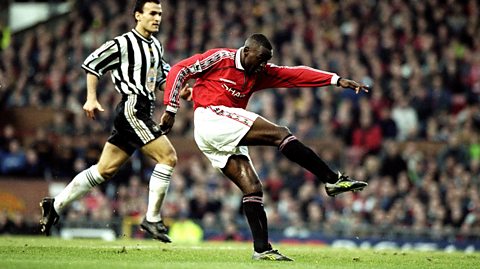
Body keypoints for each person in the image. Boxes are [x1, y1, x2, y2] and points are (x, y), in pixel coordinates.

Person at [160, 33, 369, 261]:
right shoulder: (221, 58)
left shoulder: (260, 72)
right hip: (211, 118)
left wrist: (336, 80)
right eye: (260, 59)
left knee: (253, 189)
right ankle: (331, 179)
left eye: (266, 60)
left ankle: (262, 249)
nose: (263, 65)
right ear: (246, 51)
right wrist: (171, 109)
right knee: (281, 134)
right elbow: (179, 70)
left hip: (219, 133)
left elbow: (295, 74)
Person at [39, 0, 187, 243]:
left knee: (103, 170)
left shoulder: (156, 46)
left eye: (159, 13)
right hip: (132, 107)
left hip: (141, 109)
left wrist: (178, 90)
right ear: (137, 15)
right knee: (168, 157)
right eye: (152, 13)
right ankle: (151, 218)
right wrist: (90, 98)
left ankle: (55, 205)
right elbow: (92, 64)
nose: (157, 18)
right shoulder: (123, 43)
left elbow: (159, 78)